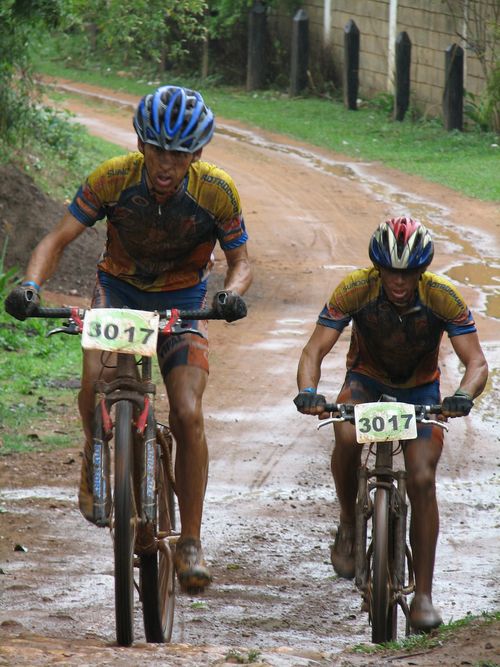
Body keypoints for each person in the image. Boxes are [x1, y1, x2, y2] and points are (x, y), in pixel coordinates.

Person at [4, 84, 252, 593]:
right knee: (95, 377)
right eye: (158, 149)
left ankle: (191, 541)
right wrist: (31, 284)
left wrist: (230, 294)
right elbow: (57, 239)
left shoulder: (217, 191)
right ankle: (96, 447)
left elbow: (241, 261)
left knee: (187, 411)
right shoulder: (111, 179)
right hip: (117, 288)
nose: (167, 164)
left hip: (184, 298)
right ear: (141, 144)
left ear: (197, 155)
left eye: (179, 154)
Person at [294, 216, 488, 632]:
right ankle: (349, 521)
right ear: (377, 268)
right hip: (366, 383)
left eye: (408, 273)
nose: (398, 282)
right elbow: (314, 349)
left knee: (421, 477)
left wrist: (464, 396)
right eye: (390, 272)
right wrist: (309, 391)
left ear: (421, 272)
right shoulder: (354, 289)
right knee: (344, 435)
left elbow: (476, 362)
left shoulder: (443, 297)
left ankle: (423, 596)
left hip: (420, 392)